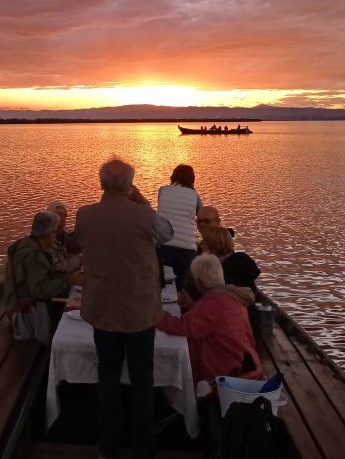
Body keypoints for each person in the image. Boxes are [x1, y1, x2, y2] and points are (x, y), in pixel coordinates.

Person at [75, 158, 172, 459]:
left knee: (108, 379)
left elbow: (79, 243)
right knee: (143, 380)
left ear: (101, 182)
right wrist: (140, 199)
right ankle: (144, 447)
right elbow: (168, 234)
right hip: (140, 313)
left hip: (103, 312)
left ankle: (107, 447)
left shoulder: (85, 215)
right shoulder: (146, 217)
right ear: (130, 184)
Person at [157, 255, 263, 385]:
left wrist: (154, 315)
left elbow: (183, 327)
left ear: (199, 282)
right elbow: (215, 318)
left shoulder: (213, 302)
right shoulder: (230, 295)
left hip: (233, 376)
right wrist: (191, 304)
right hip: (248, 365)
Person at [3, 211, 84, 345]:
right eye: (54, 232)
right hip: (24, 314)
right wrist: (70, 280)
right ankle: (60, 344)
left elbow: (45, 274)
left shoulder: (28, 244)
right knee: (75, 304)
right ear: (49, 233)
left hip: (15, 306)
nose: (55, 237)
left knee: (73, 298)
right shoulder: (35, 255)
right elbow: (39, 290)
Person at [156, 164, 203, 298]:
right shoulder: (194, 195)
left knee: (162, 283)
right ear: (192, 179)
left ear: (173, 176)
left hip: (164, 244)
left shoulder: (163, 190)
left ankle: (163, 314)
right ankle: (179, 313)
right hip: (187, 247)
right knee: (180, 285)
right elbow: (201, 213)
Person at [47, 200, 82, 274]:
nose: (63, 218)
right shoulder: (44, 241)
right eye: (59, 214)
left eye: (65, 215)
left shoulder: (65, 237)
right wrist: (80, 259)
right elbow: (56, 269)